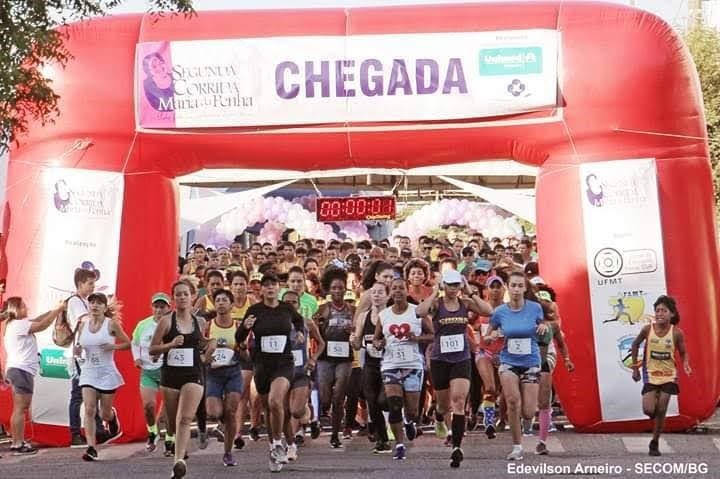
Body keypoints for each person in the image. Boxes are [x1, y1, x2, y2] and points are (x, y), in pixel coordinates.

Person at [417, 269, 493, 468]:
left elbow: (488, 311)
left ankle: (456, 447)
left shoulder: (465, 303)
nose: (453, 289)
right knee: (443, 405)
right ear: (444, 285)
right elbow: (419, 312)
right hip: (440, 359)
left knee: (458, 401)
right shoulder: (437, 304)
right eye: (449, 285)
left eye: (456, 285)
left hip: (461, 358)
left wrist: (470, 291)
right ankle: (440, 417)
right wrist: (434, 291)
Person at [235, 273, 305, 472]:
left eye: (273, 285)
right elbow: (239, 336)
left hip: (283, 363)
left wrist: (299, 331)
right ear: (261, 290)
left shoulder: (286, 308)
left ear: (278, 288)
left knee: (276, 401)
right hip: (262, 364)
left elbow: (298, 320)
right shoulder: (255, 310)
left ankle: (275, 445)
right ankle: (288, 443)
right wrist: (244, 329)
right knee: (272, 408)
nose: (270, 288)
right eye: (266, 286)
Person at [150, 280, 216, 479]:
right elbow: (153, 349)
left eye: (185, 294)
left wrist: (210, 344)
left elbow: (202, 342)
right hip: (170, 376)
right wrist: (170, 344)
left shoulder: (200, 322)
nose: (182, 297)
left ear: (192, 296)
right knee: (171, 422)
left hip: (193, 374)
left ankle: (178, 461)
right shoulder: (166, 322)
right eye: (178, 294)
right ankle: (178, 450)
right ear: (173, 299)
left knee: (185, 418)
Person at [484, 271, 547, 461]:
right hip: (508, 361)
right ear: (508, 288)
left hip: (530, 361)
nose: (517, 290)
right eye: (513, 285)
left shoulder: (535, 308)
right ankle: (517, 446)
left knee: (528, 411)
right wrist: (491, 337)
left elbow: (543, 324)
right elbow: (487, 336)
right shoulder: (499, 312)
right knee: (512, 402)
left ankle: (526, 422)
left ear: (525, 288)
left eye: (520, 286)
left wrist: (544, 327)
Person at [373, 278, 434, 461]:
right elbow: (376, 339)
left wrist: (416, 338)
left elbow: (432, 335)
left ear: (407, 291)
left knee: (413, 410)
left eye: (401, 288)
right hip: (390, 365)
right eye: (394, 288)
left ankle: (409, 421)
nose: (398, 291)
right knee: (394, 404)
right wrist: (379, 343)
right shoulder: (384, 315)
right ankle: (399, 445)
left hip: (413, 364)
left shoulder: (417, 312)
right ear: (390, 292)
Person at [2, 298, 66, 455]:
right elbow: (42, 325)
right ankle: (17, 443)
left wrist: (54, 308)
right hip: (21, 370)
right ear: (16, 309)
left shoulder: (15, 324)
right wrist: (58, 311)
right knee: (20, 408)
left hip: (19, 370)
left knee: (20, 408)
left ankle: (18, 441)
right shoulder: (18, 324)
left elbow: (38, 319)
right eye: (23, 306)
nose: (27, 307)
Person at [630, 295, 691, 456]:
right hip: (650, 374)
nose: (660, 314)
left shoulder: (677, 333)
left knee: (662, 408)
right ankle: (655, 420)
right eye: (657, 311)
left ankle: (654, 442)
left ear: (672, 314)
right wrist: (635, 368)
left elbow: (684, 353)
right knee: (650, 410)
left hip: (669, 375)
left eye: (664, 311)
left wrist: (685, 364)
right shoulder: (647, 329)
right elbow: (635, 345)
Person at [76, 292, 130, 461]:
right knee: (89, 408)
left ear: (105, 307)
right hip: (89, 371)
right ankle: (91, 447)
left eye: (99, 303)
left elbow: (129, 343)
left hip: (106, 372)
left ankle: (111, 417)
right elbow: (79, 345)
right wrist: (77, 351)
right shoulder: (82, 325)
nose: (95, 306)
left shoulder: (111, 325)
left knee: (104, 413)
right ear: (88, 306)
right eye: (92, 302)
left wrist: (112, 347)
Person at [280, 289, 325, 462]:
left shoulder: (307, 323)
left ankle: (308, 411)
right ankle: (290, 446)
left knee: (296, 411)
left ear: (299, 305)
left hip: (300, 372)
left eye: (294, 302)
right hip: (282, 372)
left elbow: (321, 343)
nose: (291, 305)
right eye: (287, 302)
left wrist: (313, 358)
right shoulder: (276, 324)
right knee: (284, 411)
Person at [314, 268, 356, 449]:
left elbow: (358, 330)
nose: (338, 291)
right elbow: (313, 329)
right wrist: (319, 324)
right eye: (334, 288)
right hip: (326, 357)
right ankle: (317, 417)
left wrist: (352, 331)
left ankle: (335, 434)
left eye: (341, 288)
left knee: (339, 395)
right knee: (325, 397)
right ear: (329, 290)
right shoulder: (323, 309)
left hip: (344, 357)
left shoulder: (352, 310)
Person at [67, 268, 108, 447]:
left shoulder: (85, 301)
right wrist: (102, 313)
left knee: (95, 392)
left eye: (94, 283)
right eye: (90, 283)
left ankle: (98, 430)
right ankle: (75, 432)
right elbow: (83, 320)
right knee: (78, 395)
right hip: (80, 356)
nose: (93, 287)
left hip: (91, 355)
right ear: (80, 284)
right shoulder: (75, 302)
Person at [351, 282, 392, 454]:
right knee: (371, 401)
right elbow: (358, 342)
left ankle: (398, 413)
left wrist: (384, 343)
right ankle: (382, 439)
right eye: (373, 292)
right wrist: (353, 340)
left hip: (388, 363)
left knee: (383, 401)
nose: (376, 295)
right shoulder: (363, 316)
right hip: (370, 363)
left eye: (380, 292)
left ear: (387, 296)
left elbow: (398, 339)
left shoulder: (391, 315)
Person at [204, 289, 244, 467]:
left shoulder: (238, 326)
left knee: (231, 411)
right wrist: (205, 357)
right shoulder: (207, 325)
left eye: (224, 300)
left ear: (231, 304)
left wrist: (242, 349)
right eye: (218, 300)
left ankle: (228, 452)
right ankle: (222, 424)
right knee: (214, 412)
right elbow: (200, 349)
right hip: (213, 374)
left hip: (233, 372)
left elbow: (246, 353)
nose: (220, 303)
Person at [131, 292, 171, 452]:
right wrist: (136, 358)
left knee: (169, 408)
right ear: (152, 307)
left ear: (168, 308)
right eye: (156, 306)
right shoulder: (143, 325)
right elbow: (134, 343)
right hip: (147, 370)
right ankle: (153, 431)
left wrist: (162, 354)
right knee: (149, 406)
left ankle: (170, 439)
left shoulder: (171, 324)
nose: (159, 310)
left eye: (162, 307)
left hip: (166, 369)